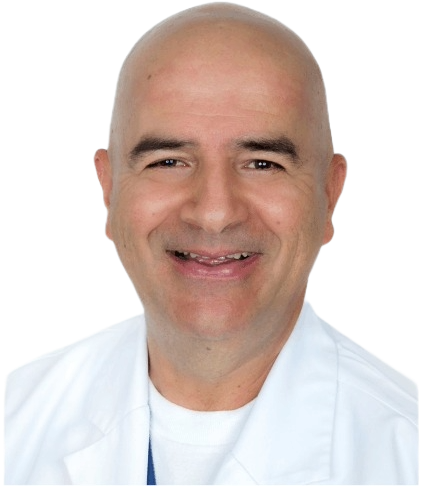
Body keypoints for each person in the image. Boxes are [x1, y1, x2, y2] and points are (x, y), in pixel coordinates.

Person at [3, 2, 419, 485]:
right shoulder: (14, 417)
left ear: (330, 194)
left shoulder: (406, 449)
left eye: (262, 163)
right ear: (109, 191)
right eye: (168, 161)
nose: (214, 214)